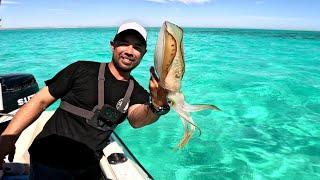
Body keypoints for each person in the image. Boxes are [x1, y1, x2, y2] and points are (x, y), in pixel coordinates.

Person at [0, 22, 169, 179]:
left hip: (87, 167)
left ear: (143, 54)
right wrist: (8, 139)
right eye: (124, 43)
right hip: (47, 159)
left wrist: (156, 105)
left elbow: (137, 119)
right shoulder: (81, 69)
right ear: (113, 46)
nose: (130, 51)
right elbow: (39, 102)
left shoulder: (137, 91)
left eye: (137, 47)